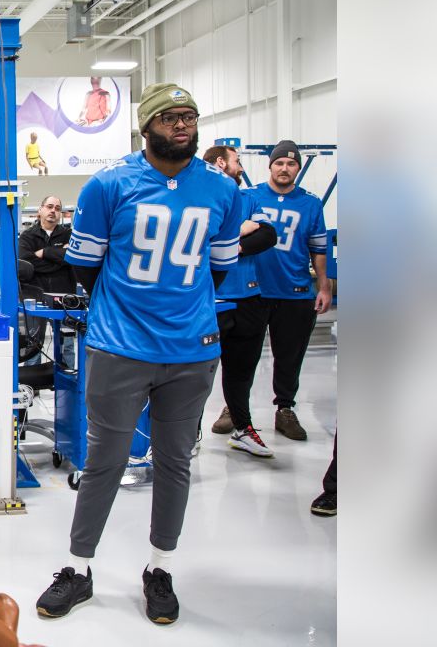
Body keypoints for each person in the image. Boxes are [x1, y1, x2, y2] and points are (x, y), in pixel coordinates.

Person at [36, 83, 244, 625]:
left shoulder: (221, 191)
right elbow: (85, 267)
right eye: (171, 117)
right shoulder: (110, 184)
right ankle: (78, 569)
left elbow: (218, 265)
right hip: (120, 345)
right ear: (146, 126)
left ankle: (160, 568)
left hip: (191, 348)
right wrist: (127, 308)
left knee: (175, 462)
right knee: (104, 459)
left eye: (190, 117)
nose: (182, 126)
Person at [246, 140, 333, 441]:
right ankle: (235, 410)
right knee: (243, 356)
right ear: (270, 166)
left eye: (291, 163)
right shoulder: (250, 197)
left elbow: (319, 248)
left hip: (294, 291)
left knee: (289, 356)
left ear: (297, 168)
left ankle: (284, 409)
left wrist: (323, 285)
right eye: (279, 163)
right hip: (253, 292)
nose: (285, 168)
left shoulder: (310, 203)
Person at [202, 145, 279, 457]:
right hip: (209, 300)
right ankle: (188, 433)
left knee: (242, 372)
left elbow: (267, 235)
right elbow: (197, 242)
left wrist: (228, 246)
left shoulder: (248, 198)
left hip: (248, 299)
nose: (241, 167)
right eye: (237, 161)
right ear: (222, 162)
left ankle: (241, 428)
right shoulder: (197, 198)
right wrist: (240, 230)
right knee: (196, 373)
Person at [18, 194, 75, 366]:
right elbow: (26, 263)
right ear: (40, 210)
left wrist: (45, 253)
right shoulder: (27, 237)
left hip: (64, 297)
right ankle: (32, 387)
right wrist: (58, 259)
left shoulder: (69, 235)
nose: (53, 211)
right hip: (35, 297)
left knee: (67, 344)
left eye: (57, 208)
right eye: (49, 207)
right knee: (34, 345)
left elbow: (71, 258)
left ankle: (67, 384)